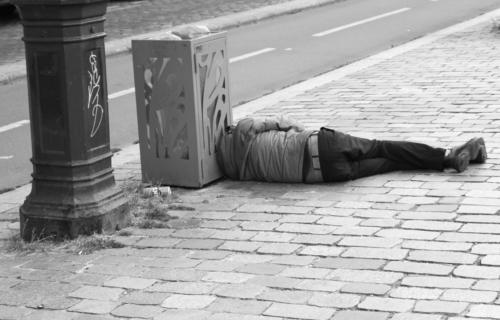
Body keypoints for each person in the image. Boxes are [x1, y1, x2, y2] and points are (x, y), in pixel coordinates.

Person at [216, 116, 487, 183]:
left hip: (327, 175)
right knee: (385, 147)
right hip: (321, 144)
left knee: (392, 163)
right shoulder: (244, 128)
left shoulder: (236, 173)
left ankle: (449, 160)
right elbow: (286, 123)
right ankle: (447, 155)